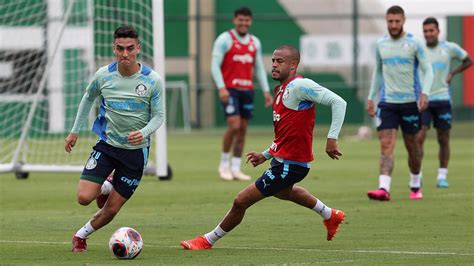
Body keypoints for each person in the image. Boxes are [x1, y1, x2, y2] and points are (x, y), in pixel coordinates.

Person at [180, 45, 347, 250]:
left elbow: (339, 102)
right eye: (273, 61)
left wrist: (332, 138)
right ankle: (330, 215)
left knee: (241, 201)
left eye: (280, 61)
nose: (274, 65)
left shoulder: (301, 85)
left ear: (293, 65)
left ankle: (207, 240)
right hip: (286, 161)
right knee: (285, 193)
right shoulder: (281, 91)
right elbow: (286, 134)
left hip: (290, 164)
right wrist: (266, 155)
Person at [64, 25, 164, 252]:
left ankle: (80, 236)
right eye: (120, 48)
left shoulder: (152, 80)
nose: (125, 53)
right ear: (114, 49)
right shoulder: (103, 75)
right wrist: (74, 131)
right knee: (83, 198)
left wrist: (144, 132)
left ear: (138, 48)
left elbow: (159, 116)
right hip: (107, 146)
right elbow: (87, 99)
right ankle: (107, 183)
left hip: (135, 154)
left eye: (130, 48)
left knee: (111, 209)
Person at [366, 6, 434, 201]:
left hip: (410, 103)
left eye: (397, 21)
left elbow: (428, 70)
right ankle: (384, 188)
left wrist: (425, 93)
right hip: (387, 103)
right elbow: (378, 72)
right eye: (390, 21)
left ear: (403, 20)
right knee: (386, 144)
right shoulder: (381, 44)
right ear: (386, 21)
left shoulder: (414, 43)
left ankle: (415, 184)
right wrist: (372, 97)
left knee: (412, 147)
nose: (393, 25)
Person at [212, 6, 273, 181]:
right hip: (230, 90)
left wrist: (266, 91)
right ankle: (224, 165)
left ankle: (236, 167)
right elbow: (214, 64)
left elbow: (259, 68)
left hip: (247, 90)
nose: (243, 23)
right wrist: (221, 87)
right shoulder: (225, 39)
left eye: (246, 20)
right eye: (240, 19)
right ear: (235, 20)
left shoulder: (255, 42)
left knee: (243, 130)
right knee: (234, 125)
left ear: (250, 22)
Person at [417, 17, 472, 188]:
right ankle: (417, 175)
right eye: (425, 31)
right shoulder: (418, 49)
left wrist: (453, 73)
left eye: (431, 31)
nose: (428, 34)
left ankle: (442, 176)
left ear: (438, 31)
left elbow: (468, 60)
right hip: (424, 99)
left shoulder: (449, 48)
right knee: (419, 137)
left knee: (444, 138)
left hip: (442, 99)